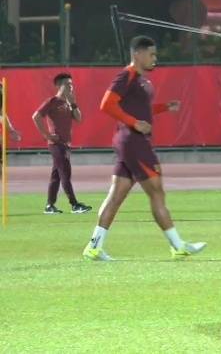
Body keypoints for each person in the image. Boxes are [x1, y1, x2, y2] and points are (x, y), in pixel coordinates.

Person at [82, 35, 205, 261]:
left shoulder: (141, 81)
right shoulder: (126, 75)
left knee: (116, 196)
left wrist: (164, 107)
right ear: (137, 54)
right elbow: (106, 104)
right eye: (151, 54)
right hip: (135, 142)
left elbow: (141, 110)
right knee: (156, 192)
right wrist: (134, 123)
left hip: (128, 142)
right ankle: (178, 246)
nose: (155, 58)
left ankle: (94, 247)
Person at [33, 72, 91, 214]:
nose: (71, 87)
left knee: (56, 176)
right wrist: (47, 135)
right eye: (67, 84)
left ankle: (49, 206)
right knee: (65, 173)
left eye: (71, 84)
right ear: (59, 86)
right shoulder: (52, 101)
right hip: (56, 144)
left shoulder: (68, 103)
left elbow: (78, 118)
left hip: (65, 144)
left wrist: (73, 103)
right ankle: (74, 205)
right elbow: (36, 116)